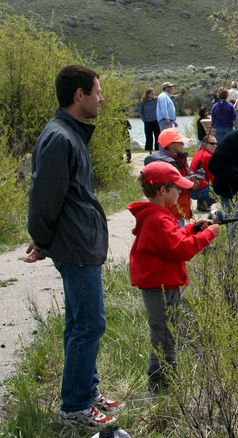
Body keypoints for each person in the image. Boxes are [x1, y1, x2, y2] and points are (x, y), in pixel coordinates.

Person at [26, 64, 124, 428]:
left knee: (79, 323)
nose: (101, 97)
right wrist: (42, 239)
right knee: (89, 325)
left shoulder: (70, 134)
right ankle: (75, 406)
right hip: (75, 247)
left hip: (79, 245)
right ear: (78, 95)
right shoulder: (60, 138)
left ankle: (86, 390)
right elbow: (43, 198)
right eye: (97, 91)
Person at [128, 161, 220, 392]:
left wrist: (193, 228)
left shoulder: (159, 215)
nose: (180, 192)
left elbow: (172, 239)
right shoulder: (157, 219)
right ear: (162, 191)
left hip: (163, 283)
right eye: (176, 188)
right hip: (160, 287)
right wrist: (208, 234)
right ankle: (161, 384)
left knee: (167, 332)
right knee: (164, 335)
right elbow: (180, 250)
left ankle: (166, 380)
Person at [145, 128, 198, 226]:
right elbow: (171, 184)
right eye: (180, 141)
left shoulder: (180, 158)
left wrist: (193, 181)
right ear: (171, 144)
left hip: (180, 208)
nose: (183, 144)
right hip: (172, 210)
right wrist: (189, 180)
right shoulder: (166, 162)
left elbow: (186, 176)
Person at [190, 134, 218, 211]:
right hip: (197, 189)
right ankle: (205, 203)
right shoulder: (208, 156)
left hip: (191, 189)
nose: (215, 145)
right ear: (205, 144)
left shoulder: (199, 152)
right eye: (212, 143)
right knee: (221, 188)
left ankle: (201, 203)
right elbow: (214, 178)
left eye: (216, 143)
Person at [139, 87, 160, 152]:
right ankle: (149, 150)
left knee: (157, 135)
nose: (153, 94)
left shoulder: (156, 99)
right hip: (147, 122)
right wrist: (144, 120)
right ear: (148, 94)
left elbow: (165, 98)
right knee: (149, 137)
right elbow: (141, 112)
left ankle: (157, 149)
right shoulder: (143, 102)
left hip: (156, 121)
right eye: (151, 93)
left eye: (153, 93)